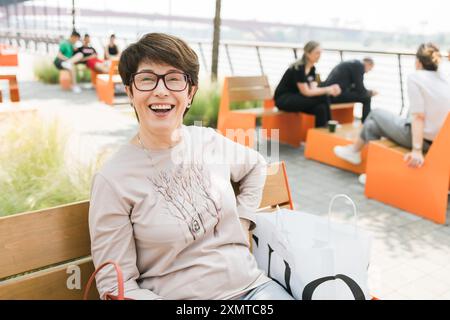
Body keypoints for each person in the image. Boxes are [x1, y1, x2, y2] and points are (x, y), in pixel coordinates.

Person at [88, 33, 294, 300]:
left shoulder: (206, 140)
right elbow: (116, 286)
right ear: (130, 92)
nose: (161, 90)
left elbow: (255, 165)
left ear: (190, 93)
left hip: (256, 289)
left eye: (174, 79)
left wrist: (244, 219)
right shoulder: (114, 179)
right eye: (147, 79)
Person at [334, 43, 450, 183]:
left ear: (418, 61)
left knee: (375, 113)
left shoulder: (416, 77)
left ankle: (354, 150)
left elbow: (419, 116)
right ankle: (372, 172)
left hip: (419, 139)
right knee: (371, 126)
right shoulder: (443, 79)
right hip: (439, 140)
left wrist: (417, 150)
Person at [274, 41, 341, 127]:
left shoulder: (312, 68)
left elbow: (313, 90)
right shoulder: (298, 68)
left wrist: (331, 88)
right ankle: (330, 123)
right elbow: (305, 92)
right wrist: (328, 90)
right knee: (323, 97)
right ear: (308, 54)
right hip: (284, 99)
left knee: (320, 108)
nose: (319, 55)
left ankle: (320, 134)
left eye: (320, 53)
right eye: (317, 53)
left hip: (298, 98)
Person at [322, 58, 378, 122]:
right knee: (367, 98)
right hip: (334, 96)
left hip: (329, 94)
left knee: (365, 95)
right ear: (368, 64)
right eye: (370, 69)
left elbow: (356, 88)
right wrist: (370, 93)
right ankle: (366, 124)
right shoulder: (359, 66)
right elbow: (360, 89)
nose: (367, 72)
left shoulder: (353, 63)